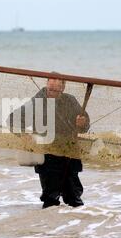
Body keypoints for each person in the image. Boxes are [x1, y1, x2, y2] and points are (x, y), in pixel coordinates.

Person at [9, 77, 90, 209]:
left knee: (74, 198)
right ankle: (49, 227)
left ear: (63, 88)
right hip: (47, 157)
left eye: (56, 89)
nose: (52, 92)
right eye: (50, 88)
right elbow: (13, 119)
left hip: (69, 156)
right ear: (46, 85)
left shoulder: (70, 100)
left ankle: (78, 226)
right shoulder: (37, 102)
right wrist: (23, 134)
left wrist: (82, 123)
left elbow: (84, 125)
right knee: (50, 198)